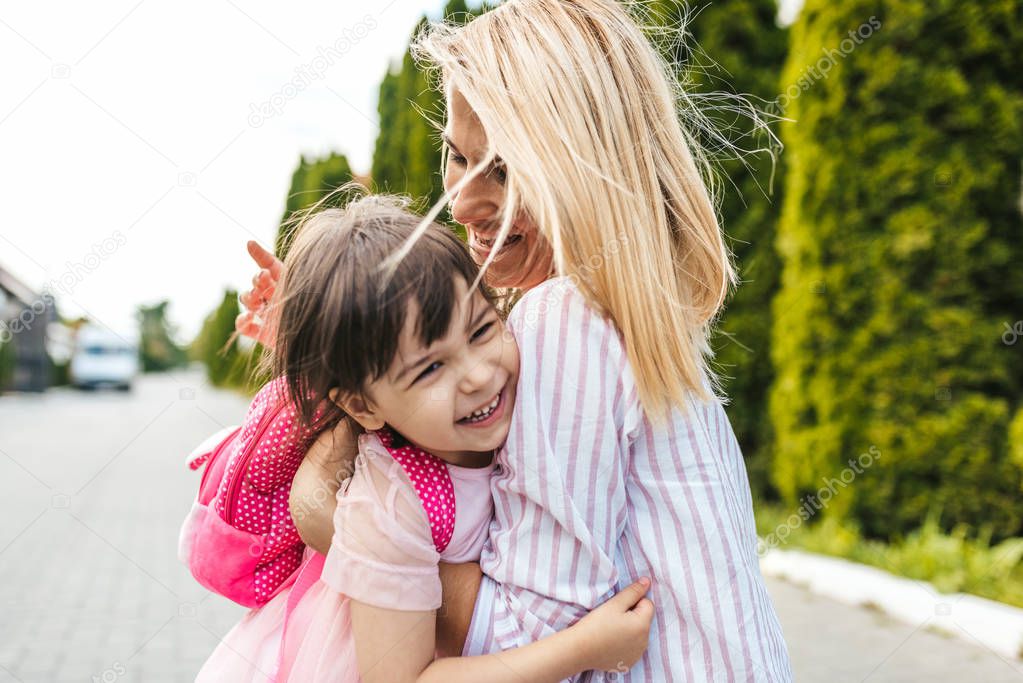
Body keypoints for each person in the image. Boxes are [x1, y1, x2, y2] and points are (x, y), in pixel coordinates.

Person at [239, 1, 793, 679]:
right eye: (456, 154)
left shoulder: (565, 319)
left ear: (584, 170)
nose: (463, 201)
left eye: (502, 169)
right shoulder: (617, 305)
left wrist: (343, 527)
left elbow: (528, 633)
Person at [202, 194, 653, 683]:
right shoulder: (393, 501)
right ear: (362, 407)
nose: (478, 375)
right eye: (432, 367)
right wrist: (582, 648)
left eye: (482, 330)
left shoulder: (521, 395)